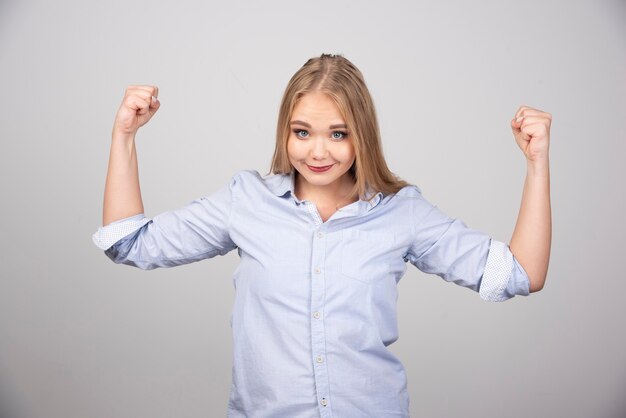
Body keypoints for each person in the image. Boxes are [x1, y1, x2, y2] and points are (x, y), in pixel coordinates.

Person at [92, 54, 551, 417]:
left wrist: (536, 165)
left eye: (337, 133)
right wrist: (124, 135)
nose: (317, 151)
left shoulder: (402, 212)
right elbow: (129, 242)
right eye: (302, 132)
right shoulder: (246, 200)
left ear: (362, 135)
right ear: (285, 132)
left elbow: (520, 273)